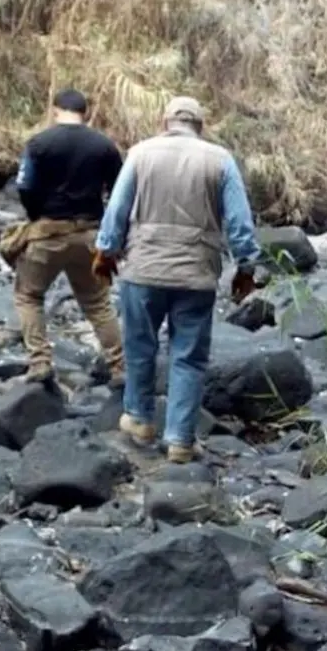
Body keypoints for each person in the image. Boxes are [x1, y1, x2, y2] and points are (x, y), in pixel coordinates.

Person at [92, 95, 264, 464]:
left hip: (144, 268)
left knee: (140, 346)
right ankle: (181, 441)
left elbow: (117, 208)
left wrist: (106, 252)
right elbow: (238, 221)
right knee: (188, 357)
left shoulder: (141, 153)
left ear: (164, 121)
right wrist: (246, 266)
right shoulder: (220, 160)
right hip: (197, 273)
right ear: (200, 126)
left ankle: (138, 418)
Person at [7, 88, 126, 385]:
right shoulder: (104, 146)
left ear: (56, 109)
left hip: (47, 232)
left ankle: (39, 362)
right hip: (89, 235)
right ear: (84, 112)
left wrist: (36, 214)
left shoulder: (39, 143)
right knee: (98, 304)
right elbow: (119, 192)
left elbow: (25, 186)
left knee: (29, 295)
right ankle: (120, 367)